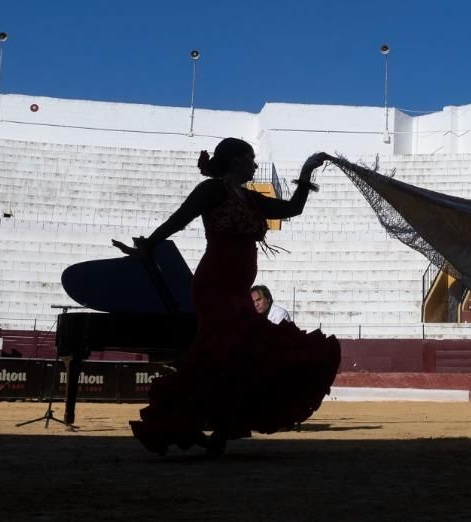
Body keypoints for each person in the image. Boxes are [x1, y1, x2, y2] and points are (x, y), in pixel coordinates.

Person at [117, 137, 341, 457]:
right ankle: (179, 425)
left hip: (237, 291)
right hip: (215, 287)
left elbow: (293, 208)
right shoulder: (212, 190)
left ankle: (219, 434)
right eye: (250, 158)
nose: (255, 164)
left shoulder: (248, 197)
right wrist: (148, 245)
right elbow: (179, 219)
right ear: (236, 160)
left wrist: (306, 172)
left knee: (237, 358)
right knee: (219, 354)